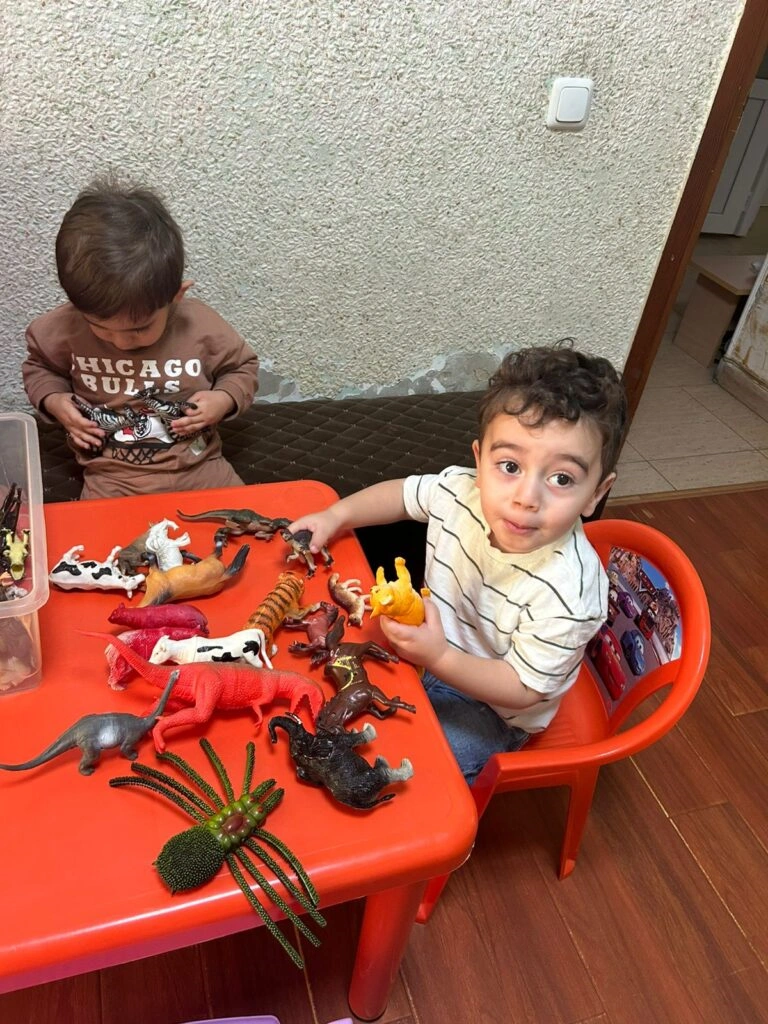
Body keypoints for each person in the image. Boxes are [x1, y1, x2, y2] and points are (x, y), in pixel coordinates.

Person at [289, 344, 628, 784]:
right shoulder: (460, 492)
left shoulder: (569, 595)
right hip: (430, 653)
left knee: (419, 771)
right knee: (323, 690)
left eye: (561, 478)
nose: (526, 497)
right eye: (509, 466)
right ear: (479, 460)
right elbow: (401, 495)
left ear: (596, 493)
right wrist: (335, 515)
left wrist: (440, 657)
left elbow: (523, 689)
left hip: (497, 708)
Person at [22, 180, 259, 499]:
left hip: (201, 467)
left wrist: (224, 399)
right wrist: (55, 401)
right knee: (93, 533)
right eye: (100, 327)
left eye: (139, 329)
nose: (121, 343)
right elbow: (40, 369)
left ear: (176, 297)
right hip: (111, 477)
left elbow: (243, 368)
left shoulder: (200, 325)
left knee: (251, 520)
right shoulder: (62, 327)